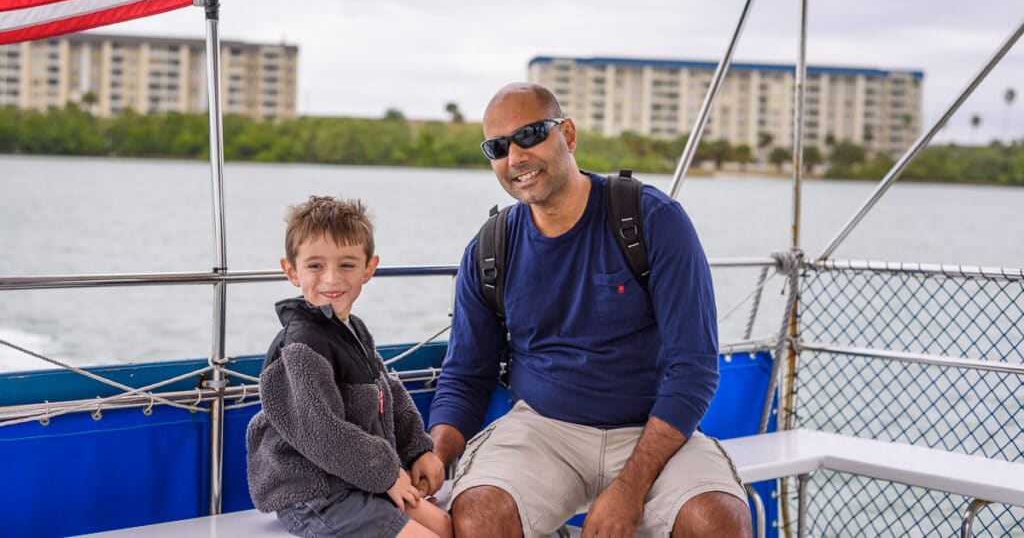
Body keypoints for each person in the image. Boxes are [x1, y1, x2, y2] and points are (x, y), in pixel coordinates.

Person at [425, 84, 752, 538]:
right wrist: (435, 454)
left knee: (718, 520)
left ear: (569, 135)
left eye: (531, 135)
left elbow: (694, 369)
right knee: (479, 513)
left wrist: (629, 488)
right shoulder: (490, 250)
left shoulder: (652, 221)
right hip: (542, 431)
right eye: (498, 147)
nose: (516, 156)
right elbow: (466, 375)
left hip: (650, 429)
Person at [247, 195, 452, 538]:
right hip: (315, 495)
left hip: (358, 479)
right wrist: (388, 474)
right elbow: (322, 432)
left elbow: (388, 393)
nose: (332, 279)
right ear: (291, 271)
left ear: (368, 269)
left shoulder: (352, 328)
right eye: (315, 266)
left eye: (347, 265)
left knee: (446, 526)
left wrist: (418, 449)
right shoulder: (301, 345)